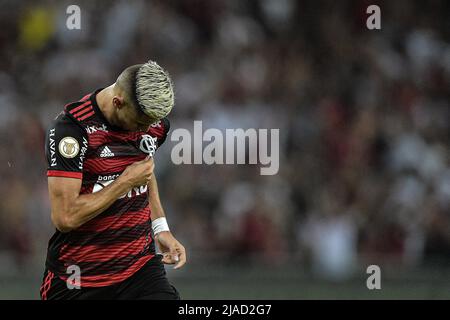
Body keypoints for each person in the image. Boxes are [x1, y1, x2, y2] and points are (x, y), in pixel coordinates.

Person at [39, 60, 186, 300]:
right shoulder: (71, 130)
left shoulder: (152, 123)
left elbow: (144, 172)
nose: (145, 130)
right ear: (118, 103)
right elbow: (65, 217)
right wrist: (123, 183)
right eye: (140, 124)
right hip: (78, 278)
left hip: (139, 269)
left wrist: (161, 228)